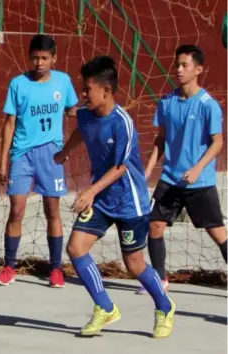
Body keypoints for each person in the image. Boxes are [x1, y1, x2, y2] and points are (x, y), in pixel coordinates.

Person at [54, 56, 175, 338]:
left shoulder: (123, 123)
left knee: (134, 264)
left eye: (87, 90)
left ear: (106, 91)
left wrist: (90, 191)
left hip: (129, 202)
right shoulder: (85, 114)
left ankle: (165, 306)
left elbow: (120, 168)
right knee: (75, 248)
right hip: (102, 200)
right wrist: (64, 152)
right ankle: (105, 308)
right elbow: (80, 132)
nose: (83, 95)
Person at [136, 44, 227, 295]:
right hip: (170, 179)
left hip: (199, 182)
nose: (178, 69)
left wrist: (198, 168)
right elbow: (161, 139)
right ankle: (159, 278)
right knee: (154, 226)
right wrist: (149, 168)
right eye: (177, 64)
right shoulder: (166, 102)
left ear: (198, 69)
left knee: (218, 233)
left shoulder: (209, 105)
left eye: (184, 65)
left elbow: (218, 142)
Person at [0, 34, 78, 287]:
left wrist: (91, 111)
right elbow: (9, 123)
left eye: (44, 58)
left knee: (52, 211)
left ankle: (55, 269)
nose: (39, 63)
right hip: (21, 155)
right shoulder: (18, 84)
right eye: (34, 58)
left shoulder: (63, 82)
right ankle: (9, 266)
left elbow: (72, 110)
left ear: (54, 58)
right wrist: (3, 161)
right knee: (17, 210)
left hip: (51, 154)